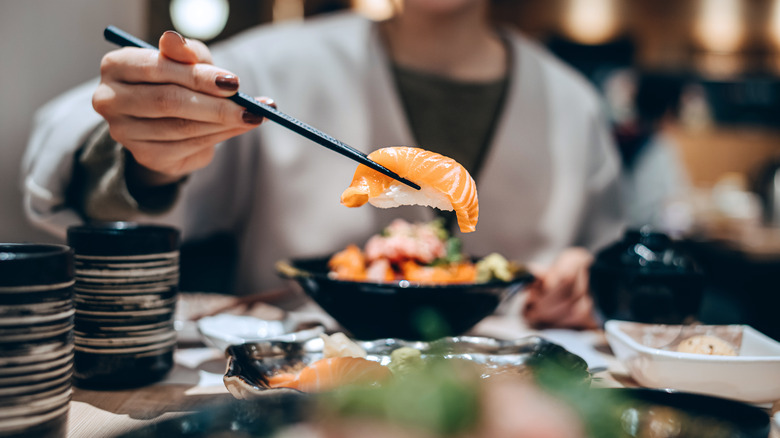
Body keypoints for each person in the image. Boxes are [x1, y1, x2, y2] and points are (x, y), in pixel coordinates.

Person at [22, 0, 624, 329]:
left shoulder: (575, 106)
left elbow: (610, 275)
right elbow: (86, 164)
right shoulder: (279, 65)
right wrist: (150, 151)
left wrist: (583, 288)